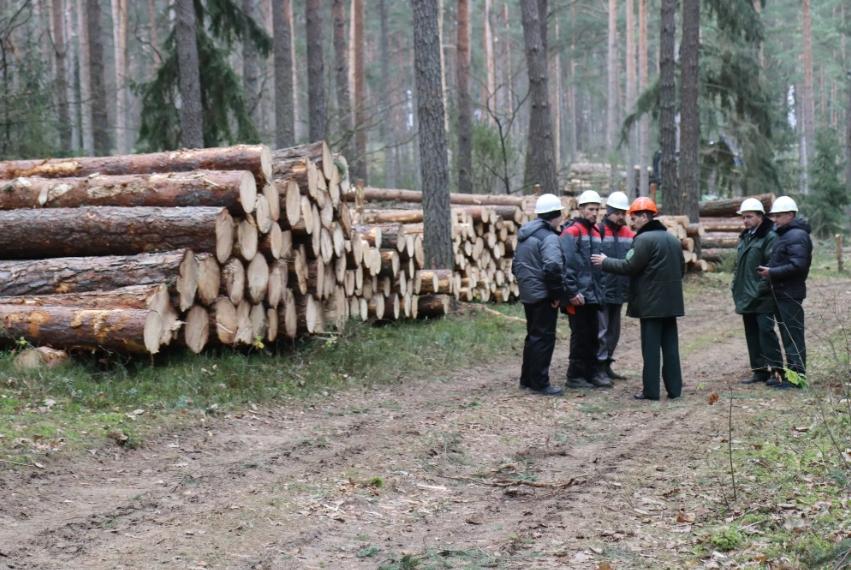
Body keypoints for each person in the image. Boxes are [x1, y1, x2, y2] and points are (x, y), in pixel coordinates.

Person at [591, 197, 684, 400]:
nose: (631, 222)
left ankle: (651, 391)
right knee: (670, 348)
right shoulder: (673, 240)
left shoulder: (643, 240)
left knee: (650, 349)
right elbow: (681, 270)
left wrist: (605, 262)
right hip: (672, 304)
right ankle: (674, 390)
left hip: (651, 305)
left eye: (634, 218)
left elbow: (629, 266)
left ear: (644, 216)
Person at [511, 193, 566, 396]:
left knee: (533, 337)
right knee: (544, 338)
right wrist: (555, 295)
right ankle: (540, 383)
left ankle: (527, 379)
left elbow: (515, 265)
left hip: (528, 293)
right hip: (543, 295)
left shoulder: (525, 234)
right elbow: (553, 267)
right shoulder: (549, 237)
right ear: (557, 215)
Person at [757, 196, 812, 388]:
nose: (775, 220)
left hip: (790, 293)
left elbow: (798, 266)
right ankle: (792, 377)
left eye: (779, 216)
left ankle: (797, 380)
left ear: (790, 215)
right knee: (788, 336)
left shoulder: (797, 236)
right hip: (782, 292)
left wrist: (772, 273)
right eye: (774, 216)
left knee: (793, 337)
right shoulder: (786, 235)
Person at [560, 190, 611, 389]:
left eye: (597, 209)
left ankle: (591, 374)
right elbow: (566, 265)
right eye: (591, 209)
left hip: (594, 295)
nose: (594, 213)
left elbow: (598, 267)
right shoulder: (571, 232)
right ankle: (575, 376)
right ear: (580, 209)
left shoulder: (597, 231)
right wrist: (572, 292)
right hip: (579, 296)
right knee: (579, 336)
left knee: (592, 336)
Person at [731, 198, 783, 384]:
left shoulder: (769, 236)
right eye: (744, 217)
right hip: (746, 294)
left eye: (749, 217)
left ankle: (777, 371)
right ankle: (759, 371)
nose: (746, 220)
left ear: (760, 216)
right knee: (751, 333)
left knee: (766, 331)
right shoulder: (746, 236)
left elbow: (771, 265)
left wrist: (761, 289)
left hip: (763, 296)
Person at [596, 191, 635, 380]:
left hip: (620, 291)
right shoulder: (599, 231)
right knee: (601, 332)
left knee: (614, 332)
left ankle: (608, 363)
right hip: (603, 290)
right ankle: (598, 367)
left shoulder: (629, 234)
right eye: (617, 212)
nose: (621, 216)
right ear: (609, 211)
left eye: (623, 213)